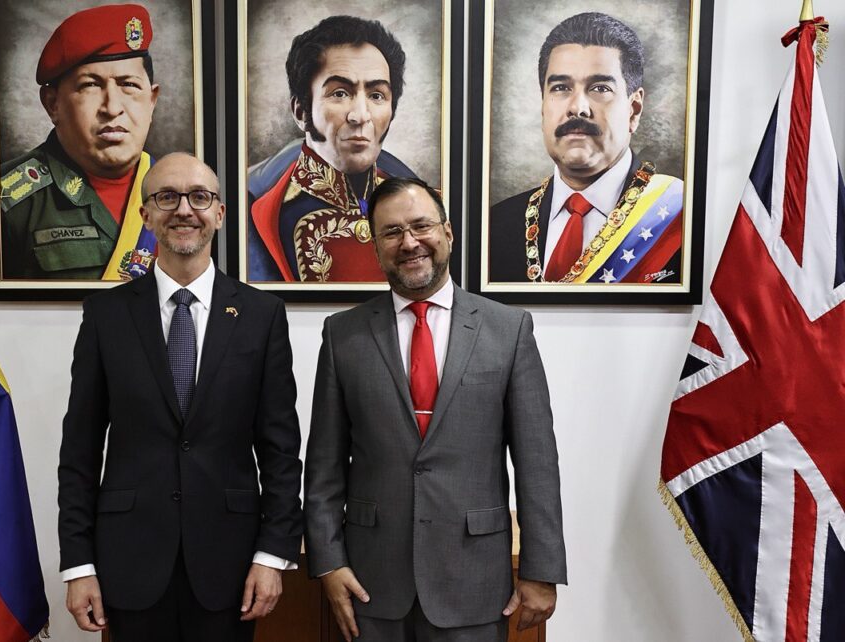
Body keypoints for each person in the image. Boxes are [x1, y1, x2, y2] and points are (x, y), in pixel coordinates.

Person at [305, 177, 567, 641]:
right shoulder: (342, 335)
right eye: (391, 232)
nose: (409, 242)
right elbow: (324, 465)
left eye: (421, 226)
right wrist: (328, 561)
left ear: (447, 233)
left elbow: (537, 463)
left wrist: (541, 570)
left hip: (475, 579)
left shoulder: (508, 330)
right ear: (376, 247)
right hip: (370, 583)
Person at [58, 152, 304, 641]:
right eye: (167, 197)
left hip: (231, 564)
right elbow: (80, 451)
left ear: (220, 213)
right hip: (129, 560)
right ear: (145, 214)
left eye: (199, 197)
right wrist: (79, 564)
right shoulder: (106, 315)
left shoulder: (262, 315)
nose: (184, 210)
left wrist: (272, 554)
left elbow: (280, 450)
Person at [488, 12, 684, 285]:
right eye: (560, 87)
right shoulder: (495, 225)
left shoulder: (681, 219)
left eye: (600, 88)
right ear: (543, 106)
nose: (578, 108)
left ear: (634, 109)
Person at [247, 15, 419, 283]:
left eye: (376, 95)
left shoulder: (422, 204)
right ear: (300, 111)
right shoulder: (257, 210)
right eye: (340, 93)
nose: (361, 115)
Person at [0, 4, 160, 280]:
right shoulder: (4, 202)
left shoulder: (184, 196)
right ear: (53, 104)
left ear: (152, 100)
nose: (112, 108)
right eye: (90, 85)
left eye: (129, 85)